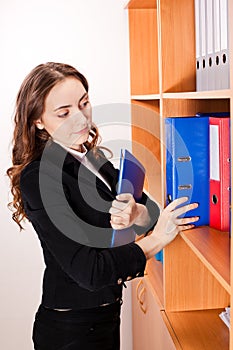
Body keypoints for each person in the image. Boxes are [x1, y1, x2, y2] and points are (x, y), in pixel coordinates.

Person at [7, 62, 199, 350]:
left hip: (105, 317)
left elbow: (151, 214)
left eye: (84, 103)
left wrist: (138, 213)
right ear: (38, 121)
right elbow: (90, 271)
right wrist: (157, 239)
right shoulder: (39, 177)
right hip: (73, 330)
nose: (81, 118)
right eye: (64, 113)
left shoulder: (90, 156)